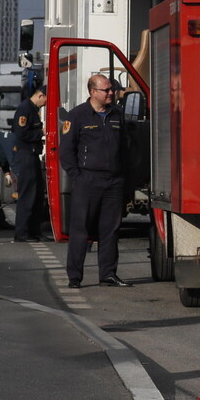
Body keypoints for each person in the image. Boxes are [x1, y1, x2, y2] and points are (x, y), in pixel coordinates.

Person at [59, 75, 133, 288]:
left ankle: (108, 274)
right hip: (88, 180)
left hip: (114, 181)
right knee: (80, 230)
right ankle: (75, 277)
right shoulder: (77, 116)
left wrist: (124, 178)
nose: (111, 93)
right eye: (106, 90)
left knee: (110, 229)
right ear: (92, 92)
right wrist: (78, 177)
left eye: (111, 89)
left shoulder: (117, 115)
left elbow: (126, 149)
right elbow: (66, 151)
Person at [12, 86, 48, 242]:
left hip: (33, 155)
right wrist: (41, 133)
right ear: (40, 95)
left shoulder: (33, 110)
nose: (45, 104)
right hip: (25, 155)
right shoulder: (25, 109)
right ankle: (22, 232)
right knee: (28, 195)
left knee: (38, 195)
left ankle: (34, 231)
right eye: (46, 100)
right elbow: (21, 133)